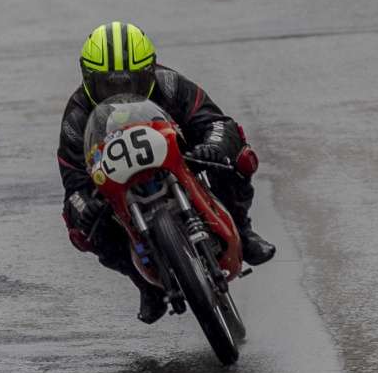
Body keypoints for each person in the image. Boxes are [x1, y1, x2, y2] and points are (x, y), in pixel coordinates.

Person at [57, 21, 277, 324]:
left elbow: (217, 123)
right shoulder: (76, 118)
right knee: (80, 228)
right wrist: (85, 206)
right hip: (118, 185)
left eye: (132, 82)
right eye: (108, 85)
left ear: (149, 71)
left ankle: (243, 229)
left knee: (238, 156)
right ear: (87, 78)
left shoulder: (171, 84)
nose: (121, 93)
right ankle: (143, 282)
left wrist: (213, 147)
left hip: (180, 155)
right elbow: (73, 184)